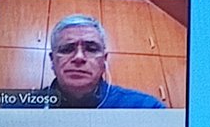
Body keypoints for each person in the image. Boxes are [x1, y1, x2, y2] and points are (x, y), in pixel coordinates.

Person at [31, 14, 165, 109]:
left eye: (91, 49)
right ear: (52, 60)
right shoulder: (24, 106)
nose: (79, 57)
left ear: (104, 61)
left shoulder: (145, 107)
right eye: (67, 49)